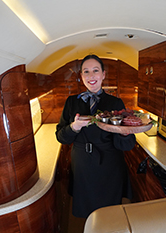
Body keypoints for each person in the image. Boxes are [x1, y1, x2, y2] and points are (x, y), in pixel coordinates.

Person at [56, 54, 136, 218]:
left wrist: (125, 132)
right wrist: (74, 127)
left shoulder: (115, 103)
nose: (91, 76)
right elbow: (61, 137)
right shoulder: (71, 102)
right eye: (86, 71)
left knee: (110, 211)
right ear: (81, 77)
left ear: (103, 74)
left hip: (109, 163)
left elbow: (126, 146)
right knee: (87, 209)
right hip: (82, 164)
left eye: (95, 70)